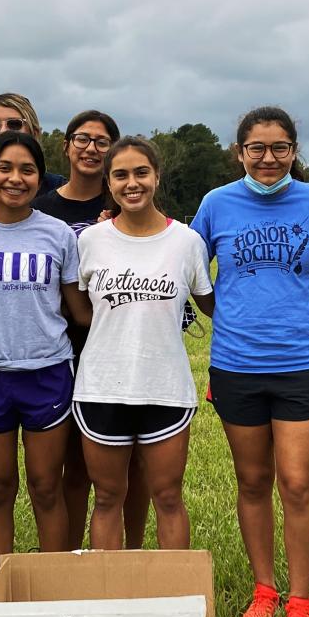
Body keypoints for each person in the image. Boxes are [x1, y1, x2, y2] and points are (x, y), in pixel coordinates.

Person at [190, 107, 309, 617]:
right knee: (252, 481)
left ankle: (299, 598)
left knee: (297, 483)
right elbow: (191, 267)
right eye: (257, 148)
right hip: (236, 364)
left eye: (279, 148)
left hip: (301, 361)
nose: (268, 158)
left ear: (294, 150)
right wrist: (224, 311)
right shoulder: (216, 203)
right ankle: (264, 590)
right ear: (240, 152)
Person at [0, 131, 91, 575]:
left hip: (46, 370)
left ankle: (54, 580)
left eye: (27, 169)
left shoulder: (58, 234)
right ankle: (2, 577)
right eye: (5, 168)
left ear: (40, 178)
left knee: (46, 486)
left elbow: (76, 307)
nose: (15, 178)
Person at [75, 136, 214, 552]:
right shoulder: (90, 241)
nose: (131, 183)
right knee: (106, 499)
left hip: (165, 389)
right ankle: (109, 600)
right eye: (120, 175)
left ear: (157, 176)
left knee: (168, 498)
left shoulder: (187, 242)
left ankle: (175, 602)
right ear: (108, 182)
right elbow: (82, 310)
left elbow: (212, 306)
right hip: (101, 387)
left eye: (141, 173)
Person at [33, 110, 151, 551]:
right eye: (82, 139)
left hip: (121, 345)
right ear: (65, 146)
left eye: (102, 141)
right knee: (73, 464)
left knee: (133, 463)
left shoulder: (130, 200)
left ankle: (133, 551)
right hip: (60, 345)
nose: (90, 148)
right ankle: (69, 556)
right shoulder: (43, 208)